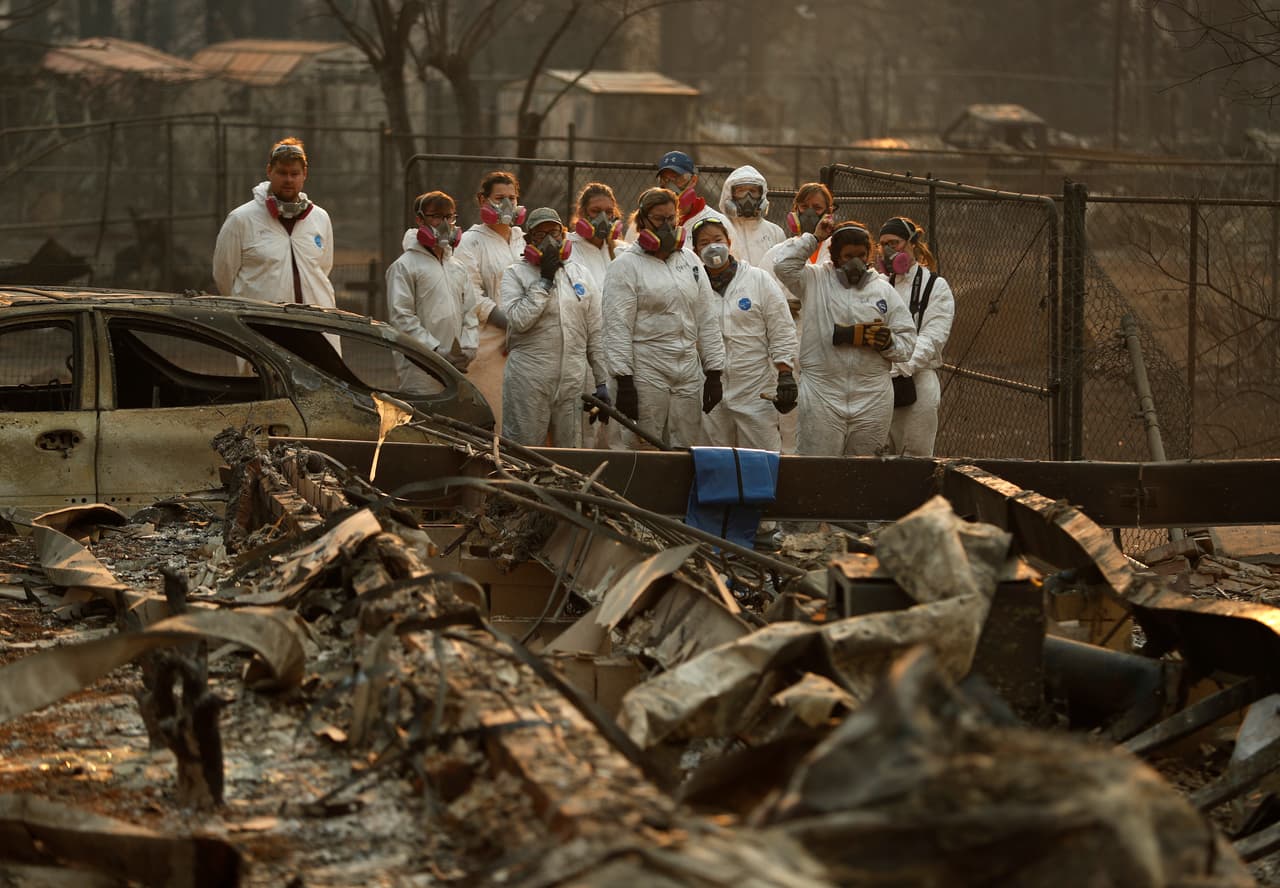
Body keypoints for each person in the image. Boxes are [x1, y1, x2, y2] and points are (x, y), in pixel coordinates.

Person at [773, 217, 916, 456]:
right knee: (818, 466)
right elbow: (782, 265)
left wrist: (887, 343)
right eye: (848, 256)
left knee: (864, 469)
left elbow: (907, 343)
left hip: (872, 396)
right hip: (822, 392)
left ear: (869, 255)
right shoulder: (814, 280)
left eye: (861, 255)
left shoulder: (883, 290)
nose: (855, 263)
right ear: (835, 256)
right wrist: (815, 238)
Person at [603, 187, 726, 449]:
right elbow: (617, 327)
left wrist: (714, 372)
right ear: (642, 221)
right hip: (646, 369)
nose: (667, 226)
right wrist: (624, 380)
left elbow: (707, 317)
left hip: (687, 369)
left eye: (671, 218)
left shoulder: (690, 260)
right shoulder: (626, 266)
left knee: (685, 447)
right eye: (659, 219)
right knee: (644, 447)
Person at [500, 207, 607, 448]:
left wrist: (602, 381)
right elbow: (519, 320)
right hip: (529, 378)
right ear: (528, 239)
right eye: (540, 234)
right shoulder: (515, 274)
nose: (549, 239)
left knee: (569, 452)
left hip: (572, 381)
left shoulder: (580, 274)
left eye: (554, 232)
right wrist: (544, 282)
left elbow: (595, 331)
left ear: (564, 235)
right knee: (523, 450)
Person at [692, 216, 798, 451]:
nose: (712, 247)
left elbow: (781, 327)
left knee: (762, 456)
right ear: (695, 250)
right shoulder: (693, 285)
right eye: (704, 243)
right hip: (709, 388)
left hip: (754, 389)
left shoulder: (757, 279)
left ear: (729, 242)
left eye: (718, 239)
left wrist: (785, 373)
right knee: (716, 456)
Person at [213, 137, 336, 308]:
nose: (288, 180)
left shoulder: (320, 218)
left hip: (316, 321)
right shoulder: (240, 219)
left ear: (304, 174)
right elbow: (224, 276)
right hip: (259, 321)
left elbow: (323, 268)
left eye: (294, 174)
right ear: (269, 171)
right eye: (282, 173)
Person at [454, 170, 526, 429]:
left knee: (524, 420)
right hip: (489, 343)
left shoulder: (524, 240)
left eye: (512, 198)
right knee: (494, 417)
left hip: (526, 340)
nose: (507, 205)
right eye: (499, 198)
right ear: (482, 200)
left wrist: (526, 325)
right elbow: (471, 293)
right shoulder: (469, 242)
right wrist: (507, 322)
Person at [385, 191, 478, 389]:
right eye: (436, 216)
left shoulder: (457, 267)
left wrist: (469, 346)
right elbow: (402, 318)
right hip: (419, 367)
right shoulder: (404, 266)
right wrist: (435, 350)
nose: (444, 224)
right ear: (420, 220)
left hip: (456, 366)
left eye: (449, 217)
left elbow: (470, 311)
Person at [878, 216, 955, 457]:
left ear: (912, 243)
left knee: (915, 455)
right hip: (880, 381)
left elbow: (932, 338)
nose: (888, 250)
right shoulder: (879, 283)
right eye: (883, 244)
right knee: (876, 453)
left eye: (894, 243)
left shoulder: (935, 286)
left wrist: (899, 365)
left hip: (917, 381)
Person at [567, 182, 625, 446]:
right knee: (584, 431)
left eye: (608, 212)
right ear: (581, 214)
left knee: (617, 430)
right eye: (595, 211)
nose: (603, 218)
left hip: (616, 351)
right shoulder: (568, 248)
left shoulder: (620, 251)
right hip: (582, 353)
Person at [656, 150, 738, 250]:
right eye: (665, 179)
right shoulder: (652, 220)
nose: (670, 186)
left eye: (677, 178)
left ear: (693, 180)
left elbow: (735, 257)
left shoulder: (718, 222)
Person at [718, 165, 785, 267]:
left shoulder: (775, 232)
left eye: (753, 191)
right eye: (741, 191)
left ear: (762, 195)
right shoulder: (721, 228)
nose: (747, 197)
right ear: (729, 195)